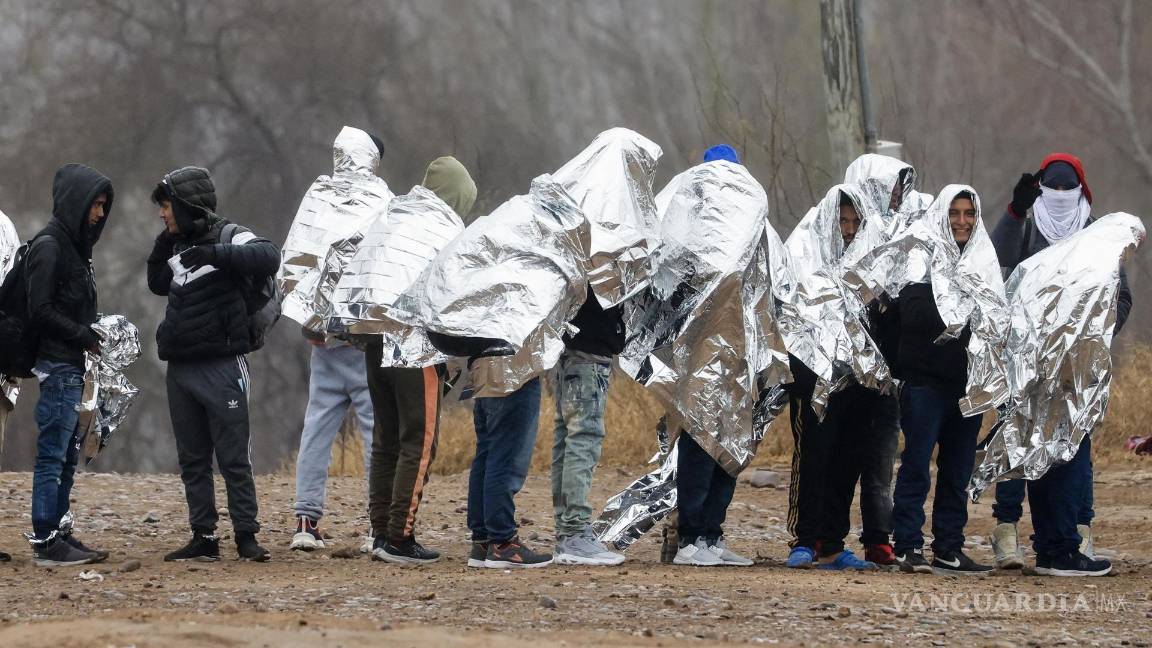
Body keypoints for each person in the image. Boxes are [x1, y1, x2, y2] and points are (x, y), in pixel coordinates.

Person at [988, 153, 1128, 575]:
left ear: (1082, 191)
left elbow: (1121, 297)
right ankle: (1009, 530)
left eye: (1070, 189)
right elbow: (1000, 263)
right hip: (1027, 367)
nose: (1062, 196)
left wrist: (1092, 337)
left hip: (1077, 371)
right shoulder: (1029, 227)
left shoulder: (1096, 236)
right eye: (1055, 188)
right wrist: (1015, 212)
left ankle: (1071, 535)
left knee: (1073, 452)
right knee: (1018, 445)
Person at [147, 166, 280, 563]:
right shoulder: (174, 243)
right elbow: (156, 283)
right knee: (192, 457)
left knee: (234, 457)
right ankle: (203, 536)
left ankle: (246, 537)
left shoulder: (230, 234)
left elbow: (269, 255)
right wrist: (165, 243)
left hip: (223, 365)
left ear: (187, 206)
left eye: (167, 206)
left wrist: (215, 255)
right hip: (181, 367)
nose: (161, 214)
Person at [367, 156, 476, 564]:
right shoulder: (445, 229)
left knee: (387, 438)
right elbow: (453, 295)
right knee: (420, 440)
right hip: (416, 348)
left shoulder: (393, 216)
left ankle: (380, 531)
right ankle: (401, 536)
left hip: (376, 340)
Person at [289, 132, 385, 552]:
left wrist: (309, 321)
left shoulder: (317, 195)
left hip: (322, 339)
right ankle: (377, 524)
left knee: (317, 429)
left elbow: (296, 259)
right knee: (374, 432)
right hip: (364, 339)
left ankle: (305, 522)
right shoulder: (383, 198)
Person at [785, 189, 890, 571]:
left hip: (861, 382)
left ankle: (832, 543)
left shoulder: (875, 259)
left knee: (849, 463)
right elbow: (789, 313)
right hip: (816, 380)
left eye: (854, 222)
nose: (848, 230)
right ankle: (804, 539)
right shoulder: (805, 254)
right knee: (813, 458)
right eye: (842, 222)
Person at [891, 187, 994, 575]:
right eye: (955, 212)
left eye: (969, 212)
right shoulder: (922, 253)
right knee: (917, 465)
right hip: (925, 382)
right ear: (943, 215)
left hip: (968, 385)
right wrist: (961, 315)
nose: (962, 221)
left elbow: (995, 315)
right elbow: (914, 313)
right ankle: (907, 546)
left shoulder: (983, 257)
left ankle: (949, 547)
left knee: (958, 471)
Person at [24, 164, 113, 566]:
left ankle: (60, 531)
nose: (99, 214)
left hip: (73, 368)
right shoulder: (50, 246)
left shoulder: (75, 248)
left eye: (103, 206)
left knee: (66, 455)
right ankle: (45, 538)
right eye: (94, 204)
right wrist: (84, 336)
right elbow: (39, 310)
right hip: (58, 367)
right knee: (52, 454)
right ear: (77, 202)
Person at [671, 144, 754, 568]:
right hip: (699, 358)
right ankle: (689, 538)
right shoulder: (687, 230)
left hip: (741, 360)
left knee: (732, 448)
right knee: (700, 447)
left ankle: (711, 535)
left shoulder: (754, 229)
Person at [550, 285, 627, 566]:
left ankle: (568, 531)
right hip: (589, 359)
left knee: (567, 439)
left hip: (571, 355)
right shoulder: (601, 254)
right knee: (583, 439)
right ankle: (575, 533)